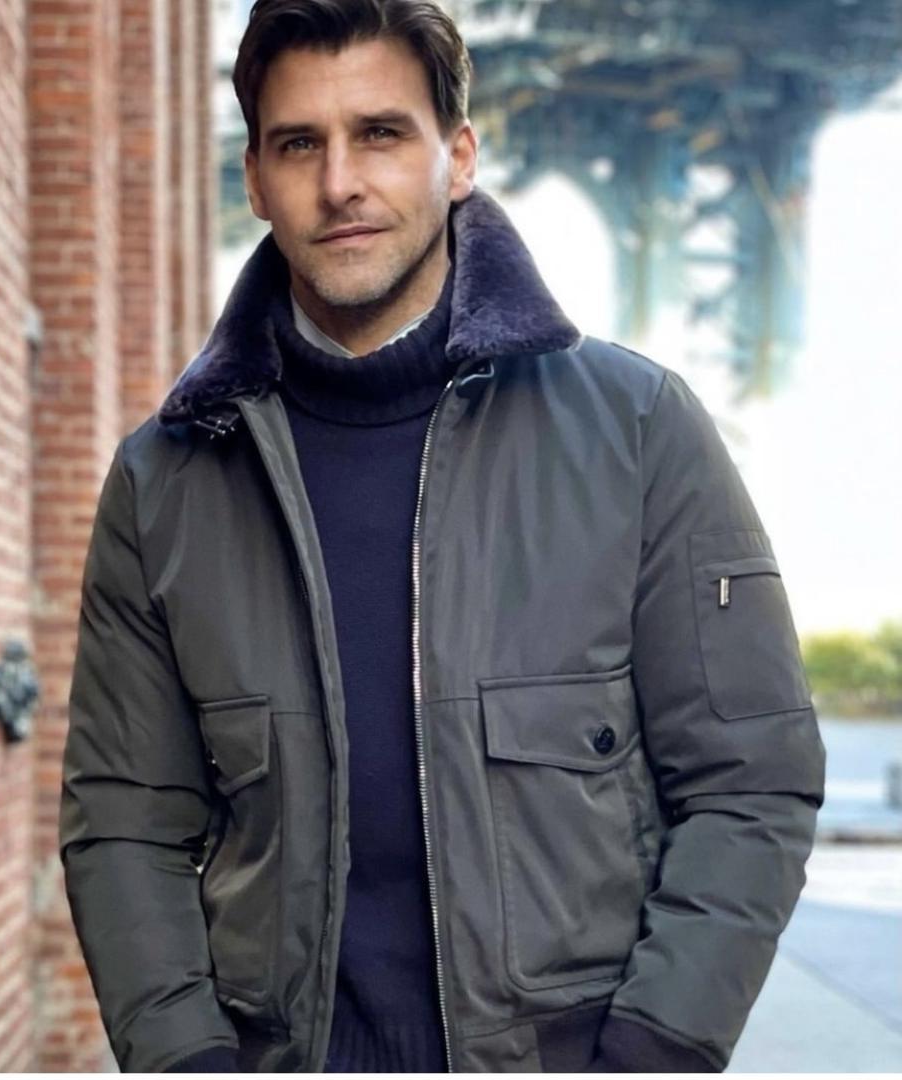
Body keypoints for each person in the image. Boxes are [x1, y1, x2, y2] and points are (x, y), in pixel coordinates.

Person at [58, 0, 826, 1072]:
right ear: (254, 179)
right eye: (298, 144)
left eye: (380, 133)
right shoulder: (164, 482)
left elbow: (750, 780)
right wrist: (189, 1063)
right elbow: (124, 825)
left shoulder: (639, 429)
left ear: (458, 157)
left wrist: (652, 1055)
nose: (339, 183)